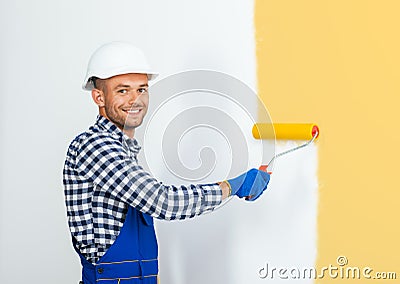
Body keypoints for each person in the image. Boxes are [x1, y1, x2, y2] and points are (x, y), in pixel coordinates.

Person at [63, 41, 270, 284]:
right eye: (122, 90)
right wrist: (232, 186)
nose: (135, 99)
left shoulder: (124, 152)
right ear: (98, 97)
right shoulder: (95, 147)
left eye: (141, 89)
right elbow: (163, 202)